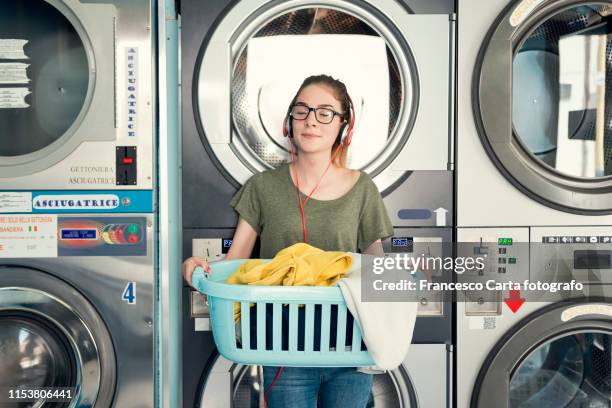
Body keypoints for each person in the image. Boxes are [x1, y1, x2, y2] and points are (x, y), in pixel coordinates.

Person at [182, 74, 393, 407]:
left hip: (350, 346)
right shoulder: (262, 187)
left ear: (344, 126)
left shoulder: (362, 189)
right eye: (302, 110)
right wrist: (198, 267)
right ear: (289, 122)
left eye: (325, 112)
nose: (311, 120)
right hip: (282, 345)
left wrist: (406, 280)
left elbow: (376, 267)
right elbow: (237, 263)